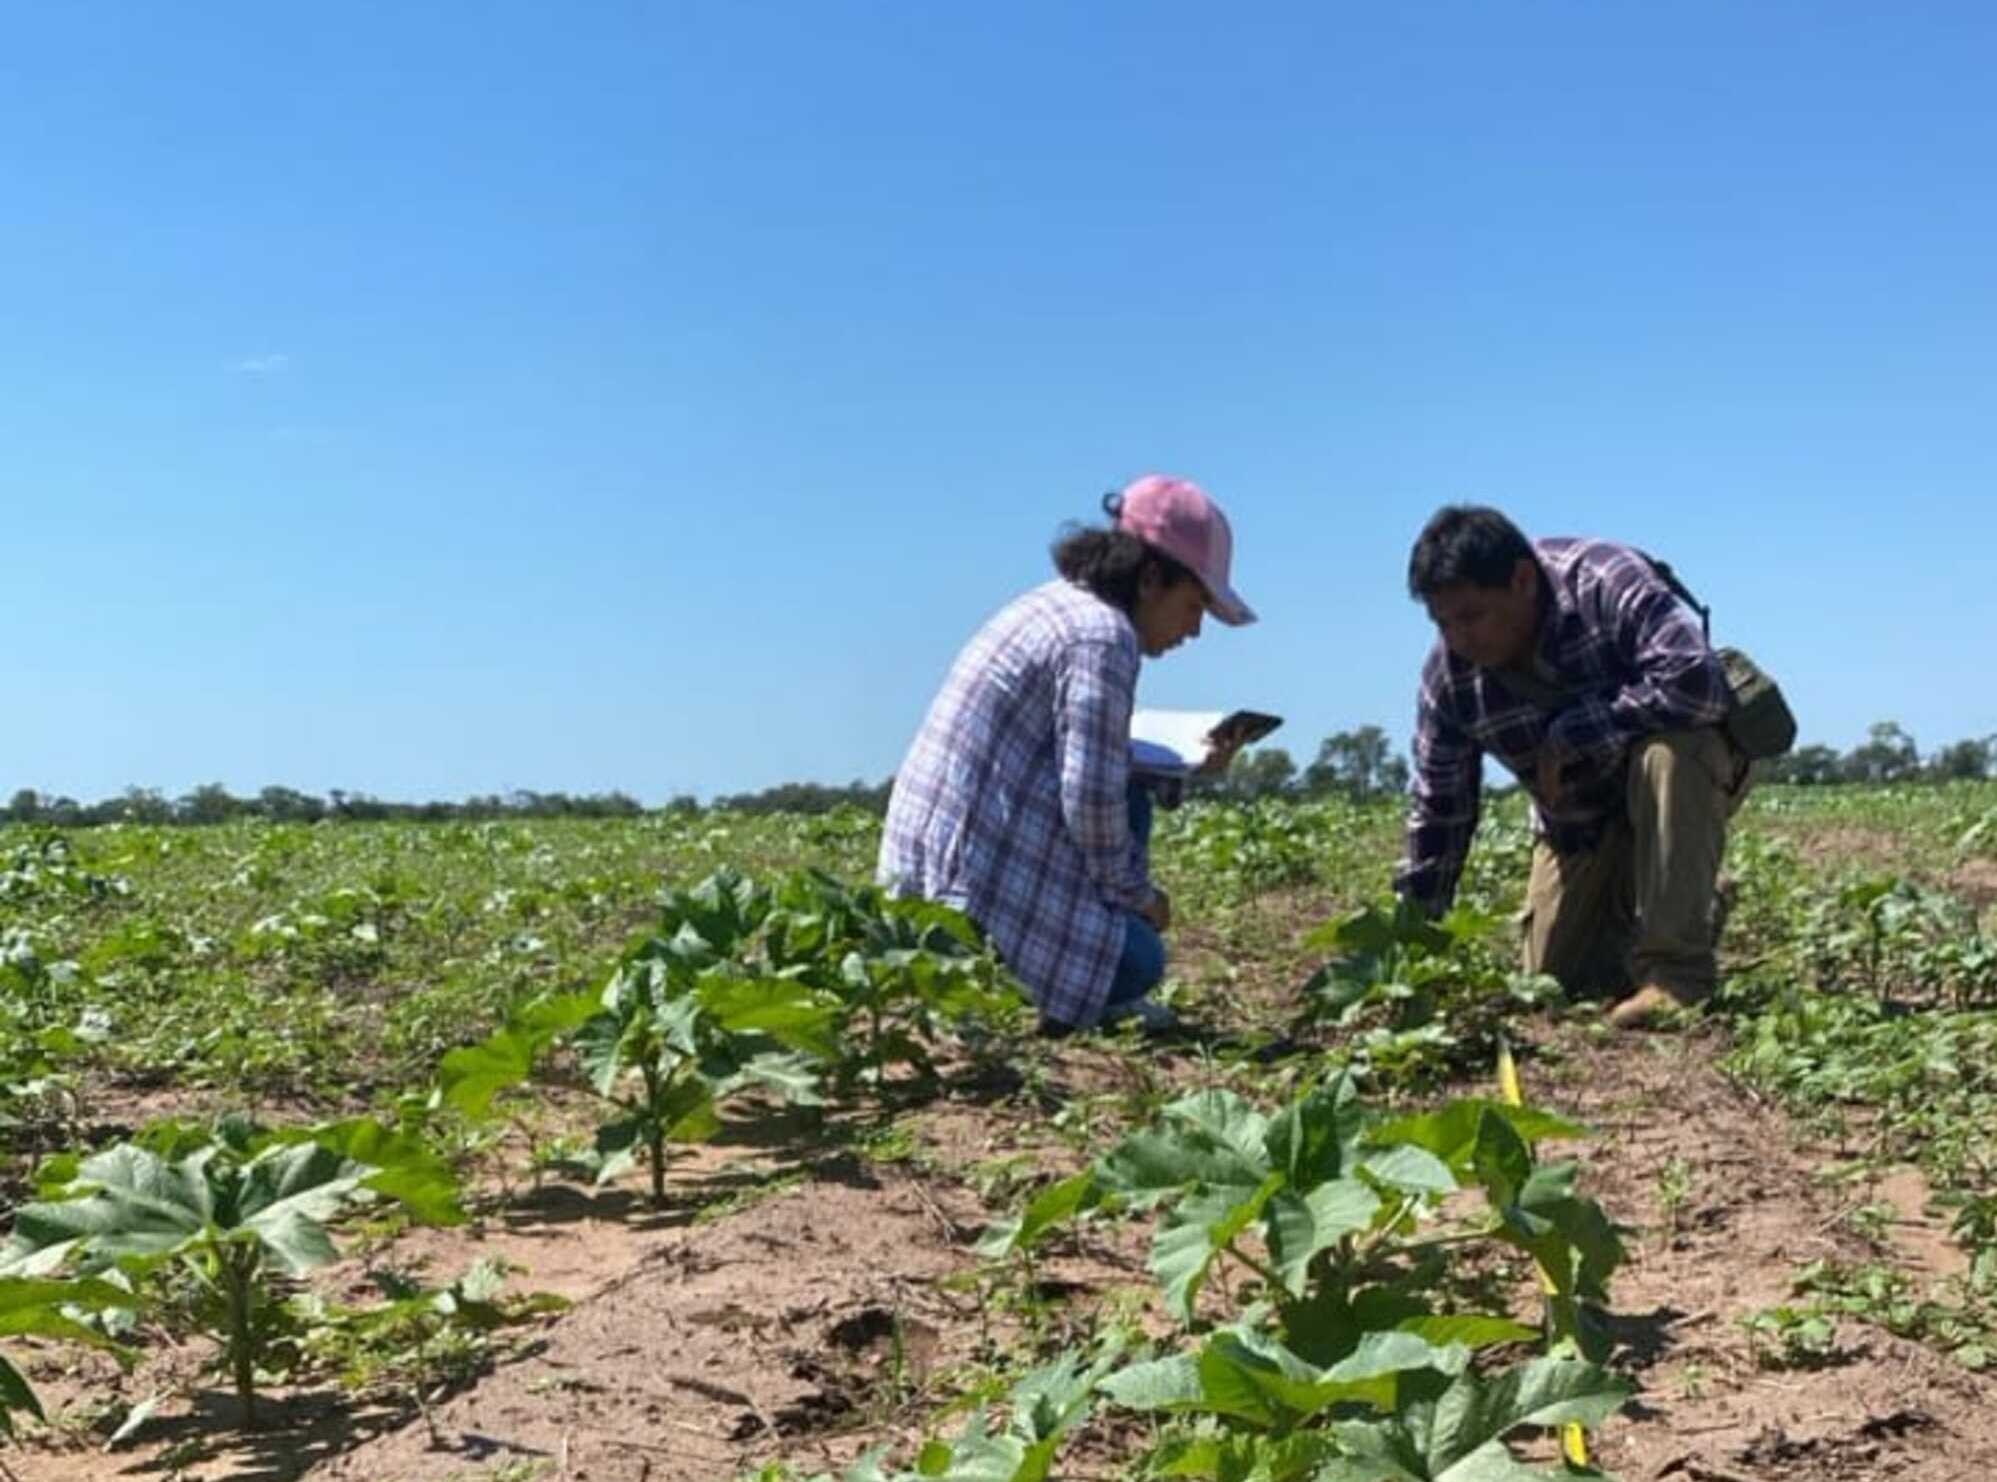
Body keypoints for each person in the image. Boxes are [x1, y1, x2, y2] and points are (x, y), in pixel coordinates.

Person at [878, 474, 1256, 1035]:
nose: (1195, 629)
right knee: (1140, 958)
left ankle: (1057, 960)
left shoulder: (1060, 606)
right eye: (1194, 604)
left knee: (1132, 798)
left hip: (924, 881)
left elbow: (1087, 762)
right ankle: (1034, 987)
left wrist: (1190, 767)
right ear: (1151, 579)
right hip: (958, 900)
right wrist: (1141, 898)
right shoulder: (1102, 639)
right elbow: (1090, 800)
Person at [1394, 505, 1749, 1029]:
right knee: (1556, 981)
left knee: (1669, 751)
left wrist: (1579, 729)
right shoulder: (1450, 680)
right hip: (1579, 820)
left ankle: (1677, 975)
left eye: (1471, 617)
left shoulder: (1603, 581)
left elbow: (1697, 684)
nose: (1458, 639)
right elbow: (1439, 814)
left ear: (1521, 580)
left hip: (1679, 775)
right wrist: (1406, 952)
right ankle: (1696, 899)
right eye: (1442, 622)